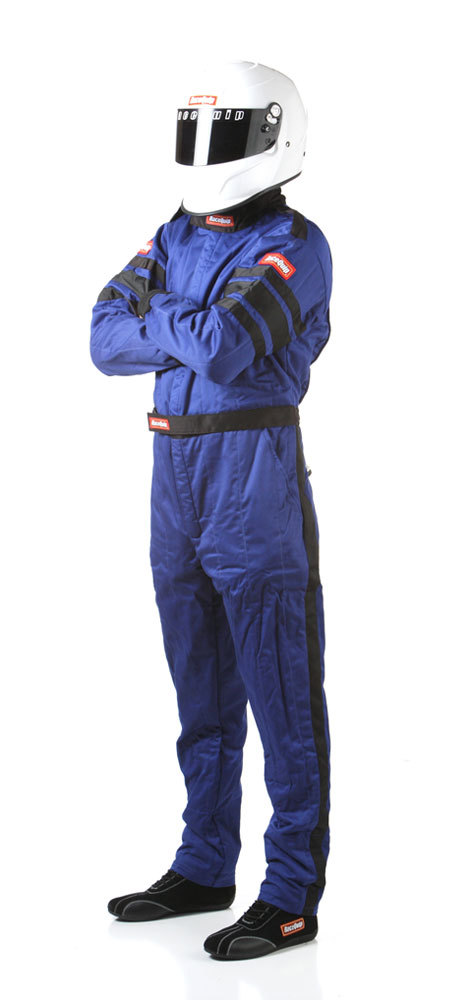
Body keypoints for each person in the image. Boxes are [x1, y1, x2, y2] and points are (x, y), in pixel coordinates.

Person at [90, 59, 333, 962]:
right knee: (200, 692)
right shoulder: (173, 233)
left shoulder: (298, 245)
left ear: (275, 134)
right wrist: (183, 321)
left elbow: (228, 346)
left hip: (252, 477)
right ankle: (204, 865)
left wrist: (159, 316)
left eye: (226, 133)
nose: (207, 152)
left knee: (282, 696)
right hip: (173, 476)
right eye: (199, 132)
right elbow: (100, 336)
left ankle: (290, 893)